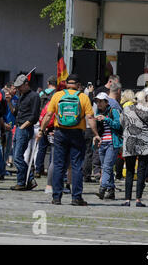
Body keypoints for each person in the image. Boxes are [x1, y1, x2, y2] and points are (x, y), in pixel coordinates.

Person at [40, 74, 101, 206]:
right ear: (78, 85)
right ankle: (76, 197)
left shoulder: (57, 95)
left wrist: (41, 130)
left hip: (60, 132)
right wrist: (96, 134)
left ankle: (56, 197)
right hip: (77, 133)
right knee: (76, 166)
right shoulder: (83, 97)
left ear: (67, 84)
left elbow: (49, 114)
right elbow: (90, 117)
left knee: (58, 165)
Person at [120, 91, 148, 207]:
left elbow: (121, 122)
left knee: (129, 171)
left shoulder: (126, 109)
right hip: (144, 143)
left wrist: (127, 131)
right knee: (142, 171)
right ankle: (138, 199)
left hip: (129, 143)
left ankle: (127, 199)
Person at [10, 74, 41, 191]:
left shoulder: (34, 96)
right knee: (17, 156)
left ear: (26, 84)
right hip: (18, 127)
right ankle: (25, 180)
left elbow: (34, 116)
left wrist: (23, 127)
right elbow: (15, 112)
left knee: (18, 157)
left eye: (20, 87)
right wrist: (9, 102)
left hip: (24, 128)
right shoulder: (21, 96)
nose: (18, 89)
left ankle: (26, 180)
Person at [94, 92, 122, 200]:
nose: (98, 103)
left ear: (106, 102)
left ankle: (102, 188)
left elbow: (118, 125)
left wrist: (106, 119)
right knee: (106, 167)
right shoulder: (97, 112)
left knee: (107, 167)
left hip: (112, 143)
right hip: (102, 143)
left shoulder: (113, 111)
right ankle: (111, 191)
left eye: (101, 101)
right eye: (97, 101)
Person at [34, 76, 57, 177]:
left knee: (41, 148)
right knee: (53, 148)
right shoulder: (57, 94)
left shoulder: (42, 93)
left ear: (48, 82)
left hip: (43, 121)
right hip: (52, 123)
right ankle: (51, 169)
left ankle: (38, 169)